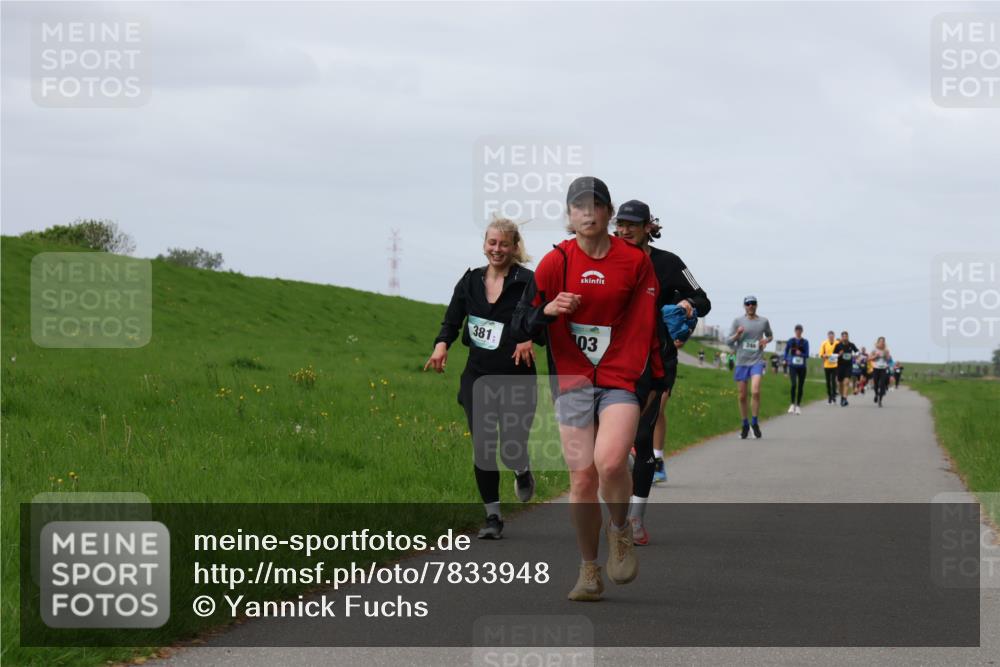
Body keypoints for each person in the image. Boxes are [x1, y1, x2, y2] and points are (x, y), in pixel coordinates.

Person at [512, 177, 659, 601]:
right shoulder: (555, 262)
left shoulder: (634, 262)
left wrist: (653, 379)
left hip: (619, 377)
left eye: (596, 206)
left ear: (608, 214)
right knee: (581, 481)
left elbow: (647, 326)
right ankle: (589, 570)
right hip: (573, 380)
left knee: (611, 463)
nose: (587, 213)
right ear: (569, 216)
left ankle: (619, 532)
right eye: (578, 207)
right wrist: (548, 310)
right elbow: (523, 324)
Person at [424, 217, 540, 539]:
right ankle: (492, 518)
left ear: (515, 247)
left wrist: (529, 335)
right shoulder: (470, 281)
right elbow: (452, 320)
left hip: (517, 378)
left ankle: (521, 469)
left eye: (504, 244)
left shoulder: (528, 281)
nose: (497, 249)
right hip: (478, 376)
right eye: (492, 243)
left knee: (512, 446)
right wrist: (441, 345)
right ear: (484, 245)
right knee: (484, 447)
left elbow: (542, 320)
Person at [613, 199, 711, 545]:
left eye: (632, 225)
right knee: (614, 440)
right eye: (619, 224)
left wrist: (686, 303)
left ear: (648, 228)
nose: (624, 231)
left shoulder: (668, 263)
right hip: (612, 360)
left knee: (642, 436)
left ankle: (636, 519)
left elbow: (703, 299)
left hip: (656, 359)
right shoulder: (605, 260)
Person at [726, 296, 773, 439]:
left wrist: (766, 340)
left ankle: (755, 422)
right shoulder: (738, 321)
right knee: (742, 396)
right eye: (748, 304)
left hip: (757, 361)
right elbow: (728, 342)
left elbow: (770, 336)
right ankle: (745, 423)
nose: (750, 306)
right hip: (741, 362)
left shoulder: (763, 321)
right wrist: (738, 334)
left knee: (756, 391)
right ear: (744, 306)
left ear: (756, 305)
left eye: (753, 303)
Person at [784, 324, 809, 414]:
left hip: (802, 367)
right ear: (795, 331)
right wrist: (786, 359)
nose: (798, 331)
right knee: (794, 384)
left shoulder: (805, 342)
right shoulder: (791, 341)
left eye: (800, 330)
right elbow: (786, 351)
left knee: (800, 386)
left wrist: (800, 354)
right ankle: (792, 404)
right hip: (793, 366)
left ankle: (798, 405)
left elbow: (807, 355)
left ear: (802, 331)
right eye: (797, 330)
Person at [833, 331, 859, 407]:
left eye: (846, 336)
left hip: (848, 366)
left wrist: (856, 356)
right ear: (841, 337)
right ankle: (842, 397)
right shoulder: (838, 345)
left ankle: (844, 398)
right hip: (840, 366)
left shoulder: (851, 345)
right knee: (840, 384)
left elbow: (857, 352)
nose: (845, 338)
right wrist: (838, 354)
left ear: (848, 337)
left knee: (846, 382)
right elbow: (833, 357)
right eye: (843, 336)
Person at [870, 337, 892, 407]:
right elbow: (869, 358)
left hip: (883, 368)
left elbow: (889, 360)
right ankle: (876, 394)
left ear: (884, 343)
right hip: (876, 368)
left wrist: (886, 355)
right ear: (878, 342)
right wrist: (875, 356)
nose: (881, 343)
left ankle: (880, 400)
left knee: (882, 384)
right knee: (876, 384)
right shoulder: (874, 350)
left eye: (883, 341)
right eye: (880, 341)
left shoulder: (886, 350)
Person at [819, 330, 839, 404]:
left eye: (832, 335)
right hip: (827, 365)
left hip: (835, 365)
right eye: (829, 336)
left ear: (834, 336)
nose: (831, 337)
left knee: (833, 381)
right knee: (828, 382)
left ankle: (834, 397)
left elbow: (840, 352)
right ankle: (829, 397)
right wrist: (824, 355)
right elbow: (821, 354)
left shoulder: (837, 343)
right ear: (828, 336)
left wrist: (836, 355)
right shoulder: (824, 343)